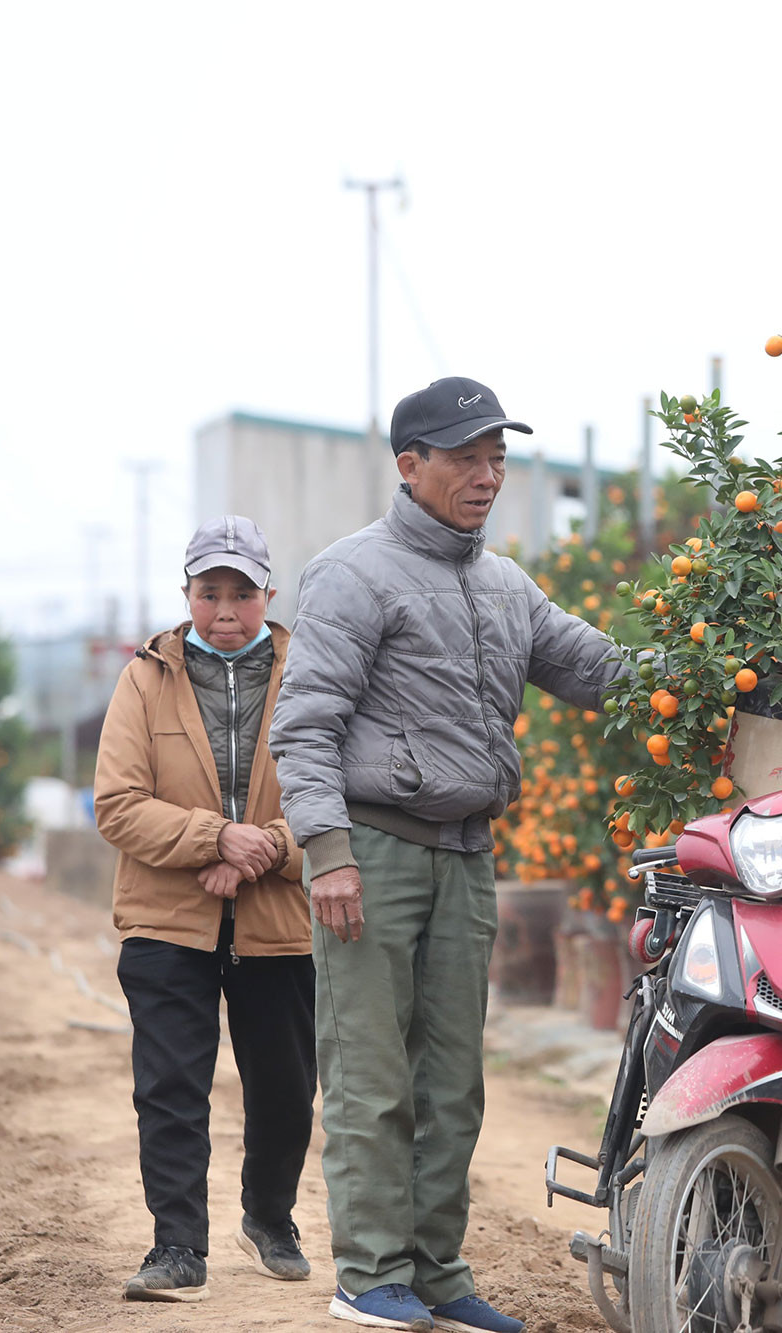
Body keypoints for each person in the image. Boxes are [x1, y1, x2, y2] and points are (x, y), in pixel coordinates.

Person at [271, 377, 627, 1333]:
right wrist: (328, 854)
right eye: (466, 456)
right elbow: (303, 727)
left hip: (468, 858)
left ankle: (437, 1273)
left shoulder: (506, 584)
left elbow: (600, 671)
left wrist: (722, 661)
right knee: (370, 1073)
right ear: (410, 465)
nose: (488, 473)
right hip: (373, 855)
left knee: (452, 1083)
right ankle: (369, 1273)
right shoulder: (355, 572)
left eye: (496, 455)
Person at [95, 515, 316, 1302]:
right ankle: (177, 1244)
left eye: (241, 592)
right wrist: (216, 839)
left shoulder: (312, 669)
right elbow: (117, 804)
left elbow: (345, 791)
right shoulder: (143, 678)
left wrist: (265, 850)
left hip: (282, 921)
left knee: (287, 1086)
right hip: (167, 920)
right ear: (187, 593)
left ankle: (270, 1215)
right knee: (170, 1086)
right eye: (208, 591)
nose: (225, 608)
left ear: (269, 593)